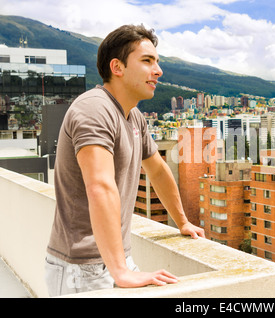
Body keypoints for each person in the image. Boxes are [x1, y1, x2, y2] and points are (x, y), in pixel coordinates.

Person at [45, 24, 204, 297]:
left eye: (157, 61)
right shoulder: (94, 108)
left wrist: (183, 222)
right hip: (83, 267)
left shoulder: (133, 116)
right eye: (147, 61)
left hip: (115, 259)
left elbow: (158, 170)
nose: (158, 70)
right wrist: (120, 272)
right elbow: (100, 187)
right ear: (117, 67)